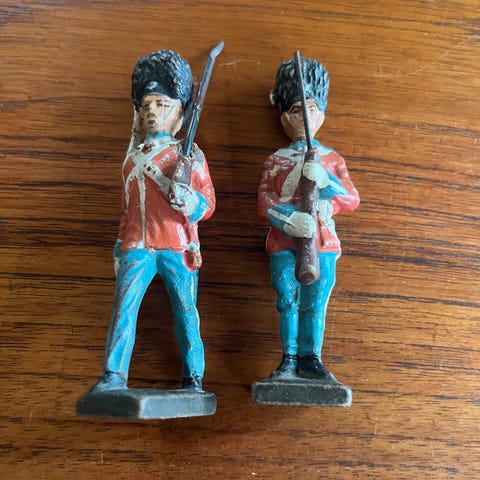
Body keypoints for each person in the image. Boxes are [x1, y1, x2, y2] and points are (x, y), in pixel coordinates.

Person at [90, 50, 215, 393]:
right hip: (136, 245)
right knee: (123, 310)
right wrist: (120, 246)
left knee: (186, 312)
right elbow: (127, 209)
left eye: (161, 104)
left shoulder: (188, 155)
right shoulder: (132, 159)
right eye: (146, 105)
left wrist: (189, 201)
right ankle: (113, 376)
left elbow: (207, 203)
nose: (152, 111)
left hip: (177, 245)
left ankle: (193, 378)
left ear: (179, 112)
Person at [258, 58, 360, 381]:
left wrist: (327, 181)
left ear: (322, 114)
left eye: (312, 110)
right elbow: (265, 201)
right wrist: (288, 221)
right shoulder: (277, 160)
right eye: (296, 111)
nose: (305, 117)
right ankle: (289, 357)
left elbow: (351, 198)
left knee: (316, 301)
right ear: (284, 117)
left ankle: (311, 357)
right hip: (284, 241)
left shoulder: (332, 158)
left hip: (322, 242)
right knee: (287, 299)